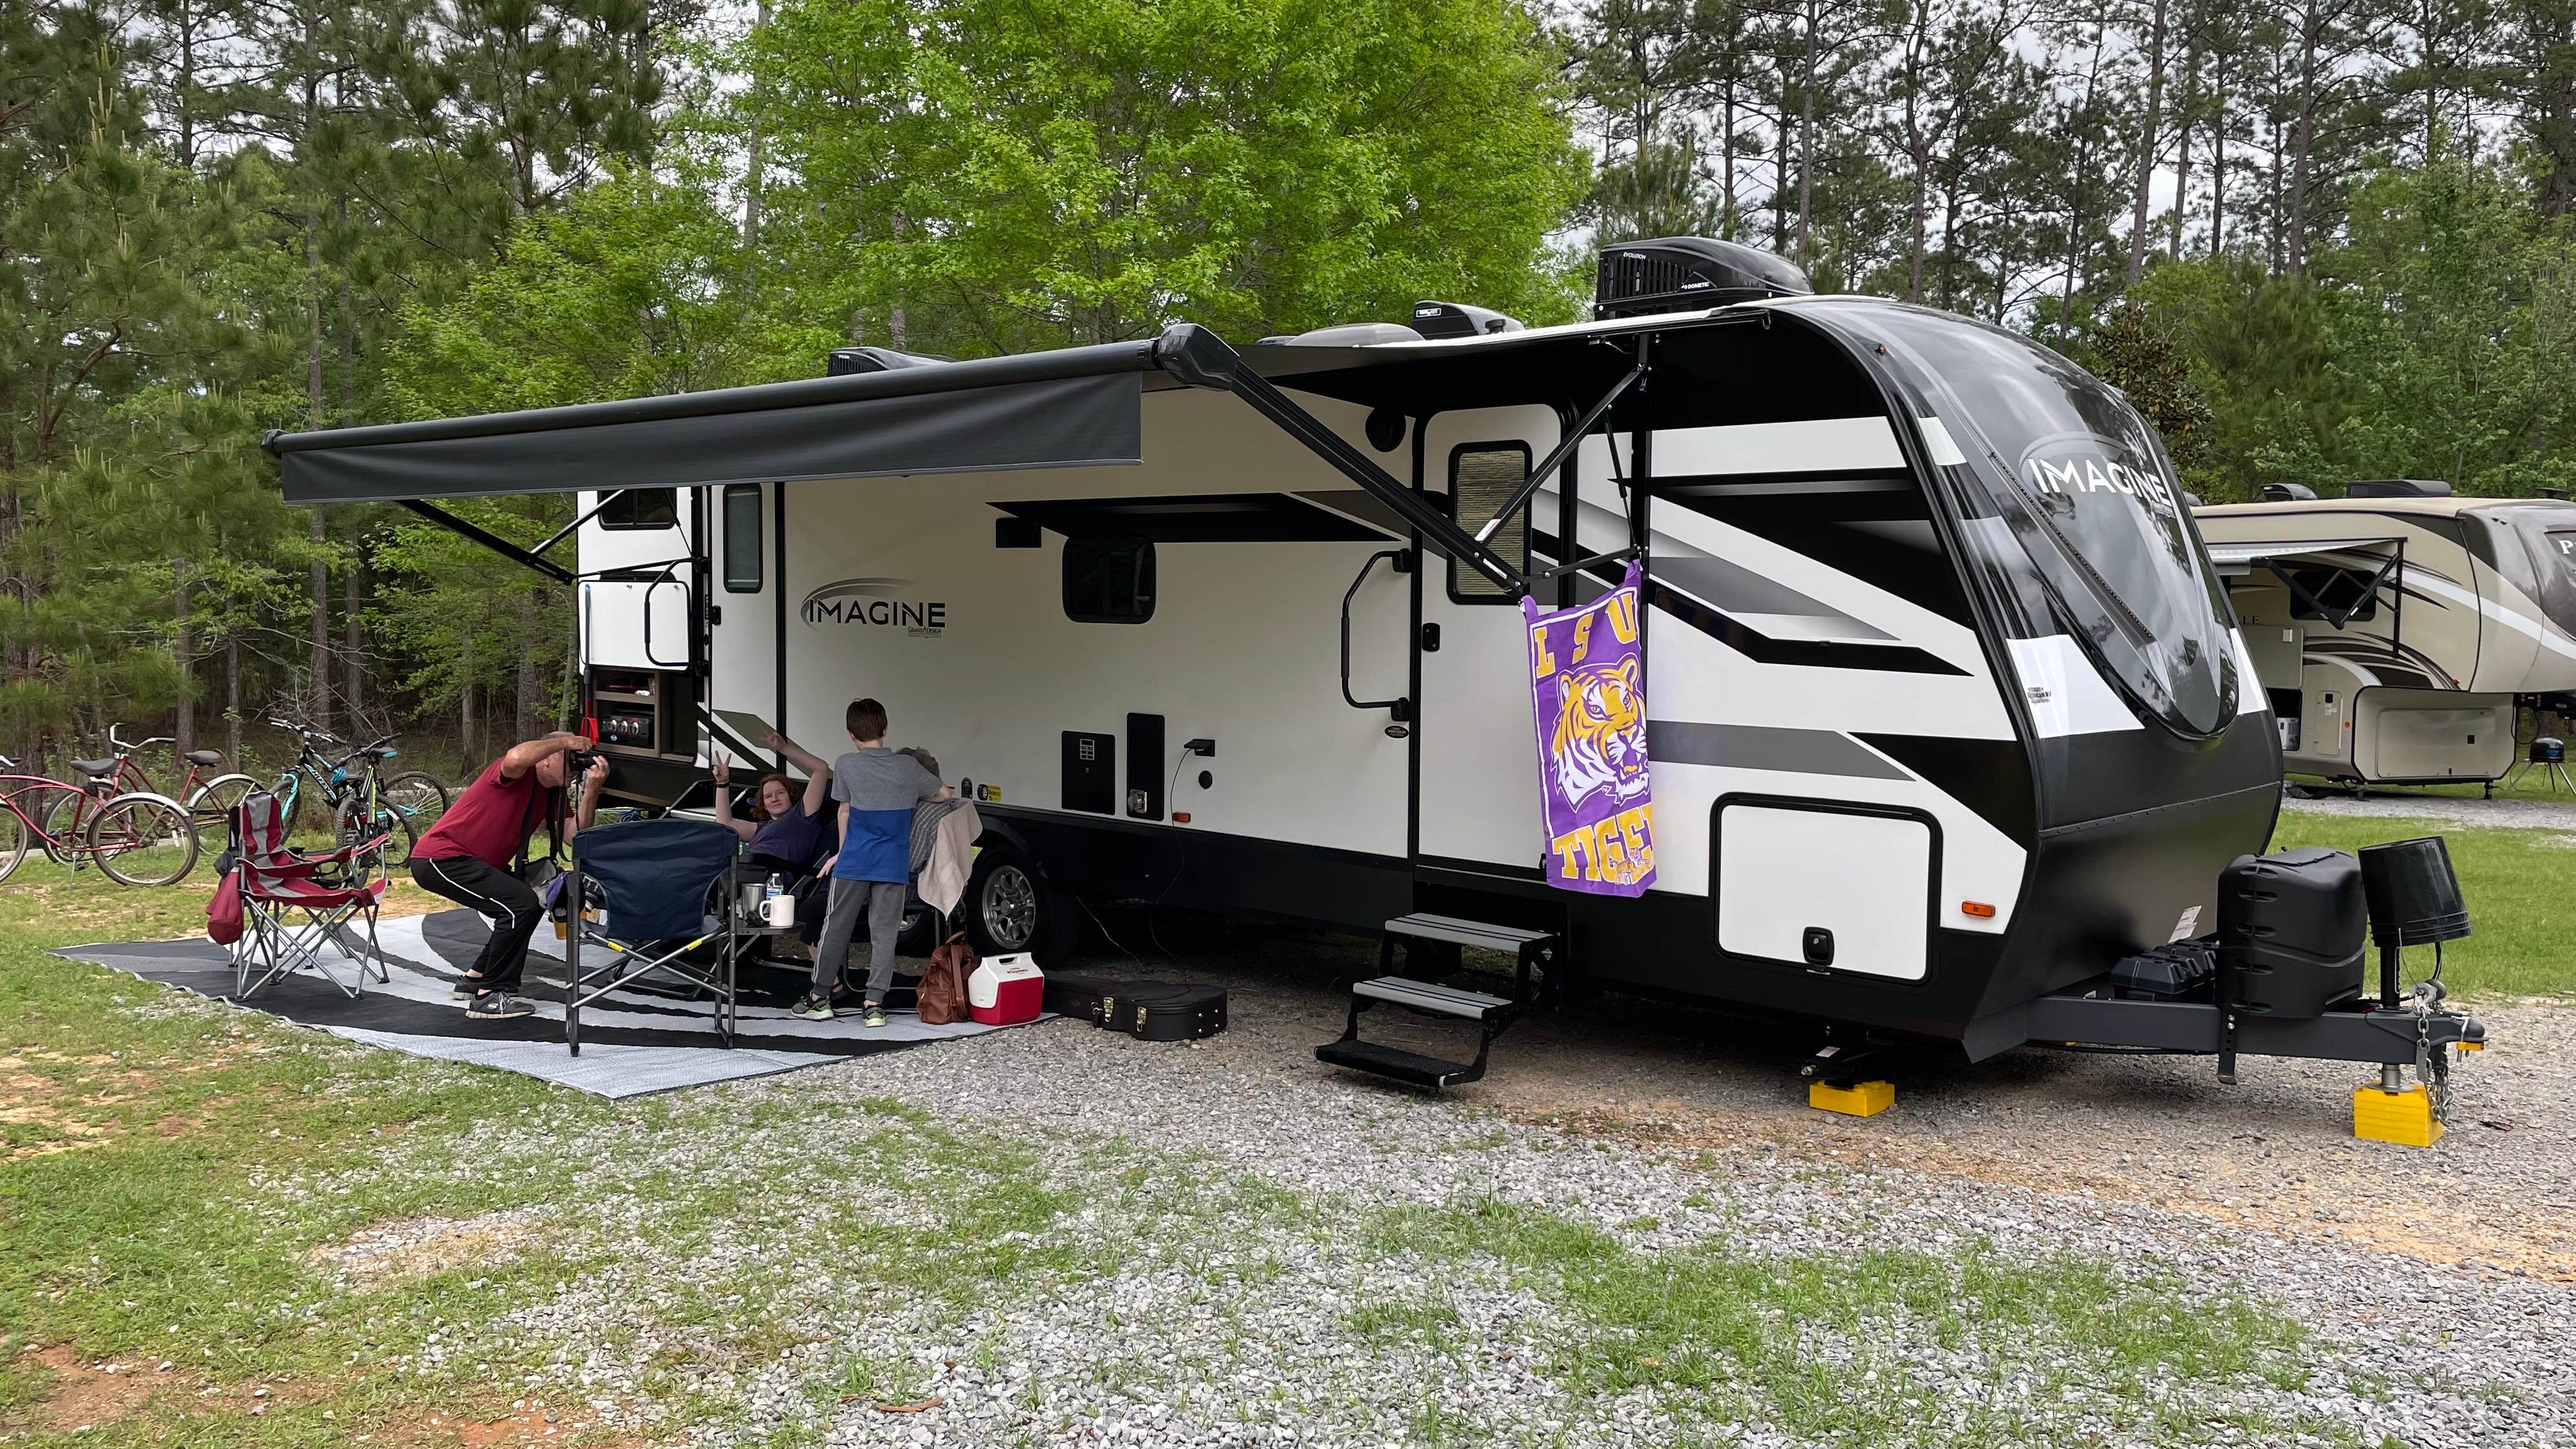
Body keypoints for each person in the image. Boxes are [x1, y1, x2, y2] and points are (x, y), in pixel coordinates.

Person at [410, 732, 608, 1020]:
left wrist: (592, 788)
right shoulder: (517, 773)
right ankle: (489, 996)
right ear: (546, 759)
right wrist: (565, 742)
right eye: (570, 762)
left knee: (531, 903)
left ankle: (476, 978)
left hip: (473, 862)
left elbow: (574, 836)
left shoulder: (553, 794)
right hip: (442, 858)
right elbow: (515, 756)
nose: (576, 768)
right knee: (520, 904)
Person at [800, 698, 949, 1025]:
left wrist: (841, 852)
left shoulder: (847, 765)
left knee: (835, 928)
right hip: (892, 863)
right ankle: (874, 1005)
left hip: (855, 860)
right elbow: (943, 795)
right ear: (885, 729)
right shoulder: (908, 768)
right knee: (885, 934)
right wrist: (914, 794)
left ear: (851, 734)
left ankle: (820, 997)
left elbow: (844, 811)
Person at [709, 727, 832, 877]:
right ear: (764, 804)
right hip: (744, 871)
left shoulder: (804, 814)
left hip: (773, 876)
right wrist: (722, 784)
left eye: (780, 793)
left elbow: (821, 769)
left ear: (791, 796)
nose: (774, 799)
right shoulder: (760, 828)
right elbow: (726, 824)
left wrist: (784, 748)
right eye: (768, 796)